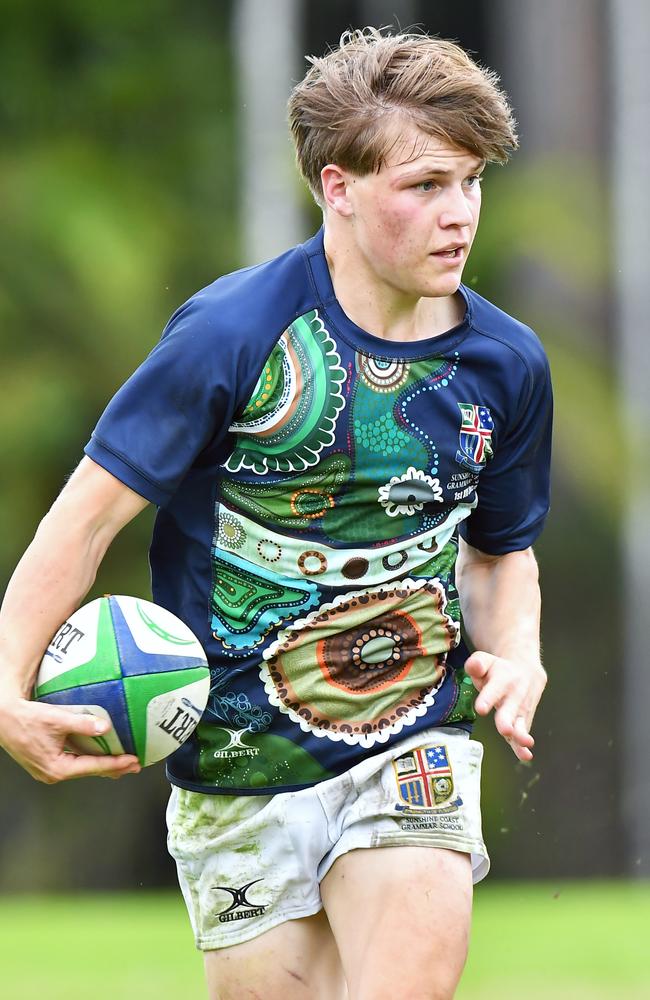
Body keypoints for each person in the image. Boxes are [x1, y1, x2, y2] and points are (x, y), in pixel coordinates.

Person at [0, 26, 552, 1000]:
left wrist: (515, 652)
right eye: (423, 185)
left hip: (409, 729)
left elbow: (499, 552)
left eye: (468, 182)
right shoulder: (232, 336)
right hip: (235, 756)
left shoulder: (504, 366)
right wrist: (6, 686)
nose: (457, 213)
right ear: (337, 188)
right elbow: (80, 525)